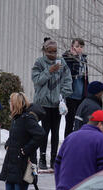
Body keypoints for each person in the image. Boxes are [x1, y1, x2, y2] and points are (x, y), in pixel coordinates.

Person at [0, 93, 46, 190]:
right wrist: (8, 144)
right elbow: (17, 136)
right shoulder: (17, 119)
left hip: (23, 163)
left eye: (11, 102)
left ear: (16, 104)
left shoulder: (27, 119)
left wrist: (26, 150)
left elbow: (40, 135)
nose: (9, 104)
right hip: (12, 162)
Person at [32, 38, 73, 170]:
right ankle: (42, 158)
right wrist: (49, 70)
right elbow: (37, 80)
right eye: (50, 52)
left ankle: (54, 159)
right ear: (44, 51)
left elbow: (68, 81)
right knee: (44, 131)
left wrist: (62, 94)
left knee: (55, 132)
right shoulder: (39, 62)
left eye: (55, 52)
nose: (53, 55)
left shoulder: (62, 62)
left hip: (56, 104)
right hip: (43, 104)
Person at [55, 110, 103, 190]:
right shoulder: (102, 140)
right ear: (100, 124)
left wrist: (59, 188)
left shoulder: (70, 137)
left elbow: (57, 164)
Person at [63, 38, 89, 138]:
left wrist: (87, 93)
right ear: (72, 47)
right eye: (77, 46)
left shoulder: (84, 59)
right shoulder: (66, 58)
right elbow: (69, 74)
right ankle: (67, 145)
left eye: (81, 47)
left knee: (79, 123)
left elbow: (86, 78)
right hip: (71, 95)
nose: (79, 49)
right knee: (69, 123)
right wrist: (75, 60)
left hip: (81, 95)